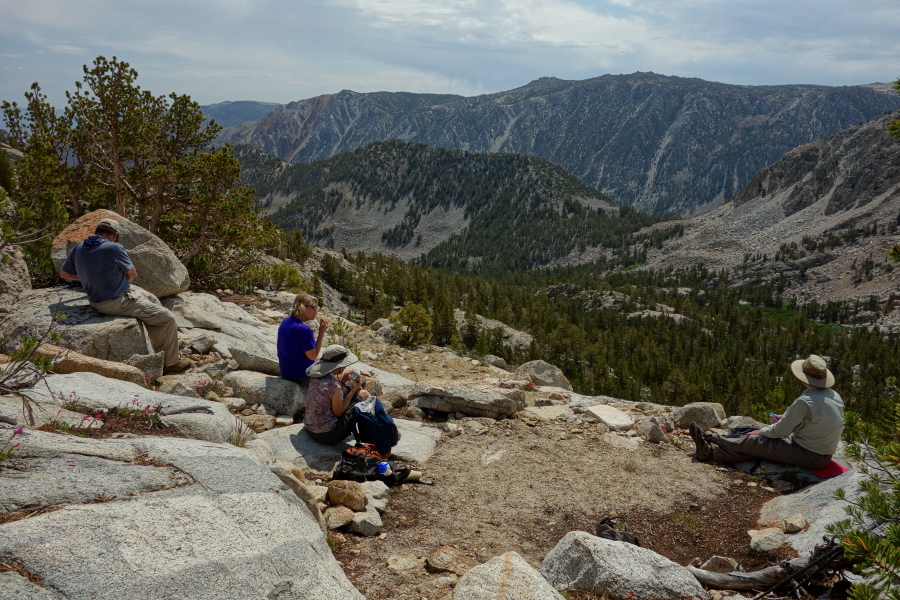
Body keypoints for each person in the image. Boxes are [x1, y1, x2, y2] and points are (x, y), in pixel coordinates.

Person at [59, 218, 190, 374]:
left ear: (97, 232)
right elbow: (132, 274)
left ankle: (162, 349)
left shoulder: (79, 247)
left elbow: (64, 274)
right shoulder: (114, 247)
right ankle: (171, 363)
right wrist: (121, 285)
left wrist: (86, 278)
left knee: (153, 299)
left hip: (96, 300)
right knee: (167, 318)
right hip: (116, 301)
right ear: (115, 234)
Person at [690, 354, 844, 470]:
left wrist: (761, 431)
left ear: (805, 379)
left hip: (809, 453)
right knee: (759, 448)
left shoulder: (806, 401)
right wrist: (785, 418)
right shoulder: (834, 395)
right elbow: (815, 421)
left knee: (757, 441)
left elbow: (780, 432)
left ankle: (713, 439)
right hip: (820, 452)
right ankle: (710, 452)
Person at [303, 345, 370, 445]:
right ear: (338, 365)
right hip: (329, 434)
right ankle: (372, 432)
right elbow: (338, 413)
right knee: (363, 394)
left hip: (310, 427)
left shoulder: (316, 375)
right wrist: (353, 390)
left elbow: (331, 395)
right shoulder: (333, 385)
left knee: (353, 386)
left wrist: (343, 381)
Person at [277, 293, 328, 387]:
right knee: (335, 376)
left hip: (285, 371)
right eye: (314, 308)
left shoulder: (286, 321)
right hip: (301, 376)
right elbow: (313, 356)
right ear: (303, 307)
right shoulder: (304, 330)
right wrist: (321, 332)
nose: (316, 312)